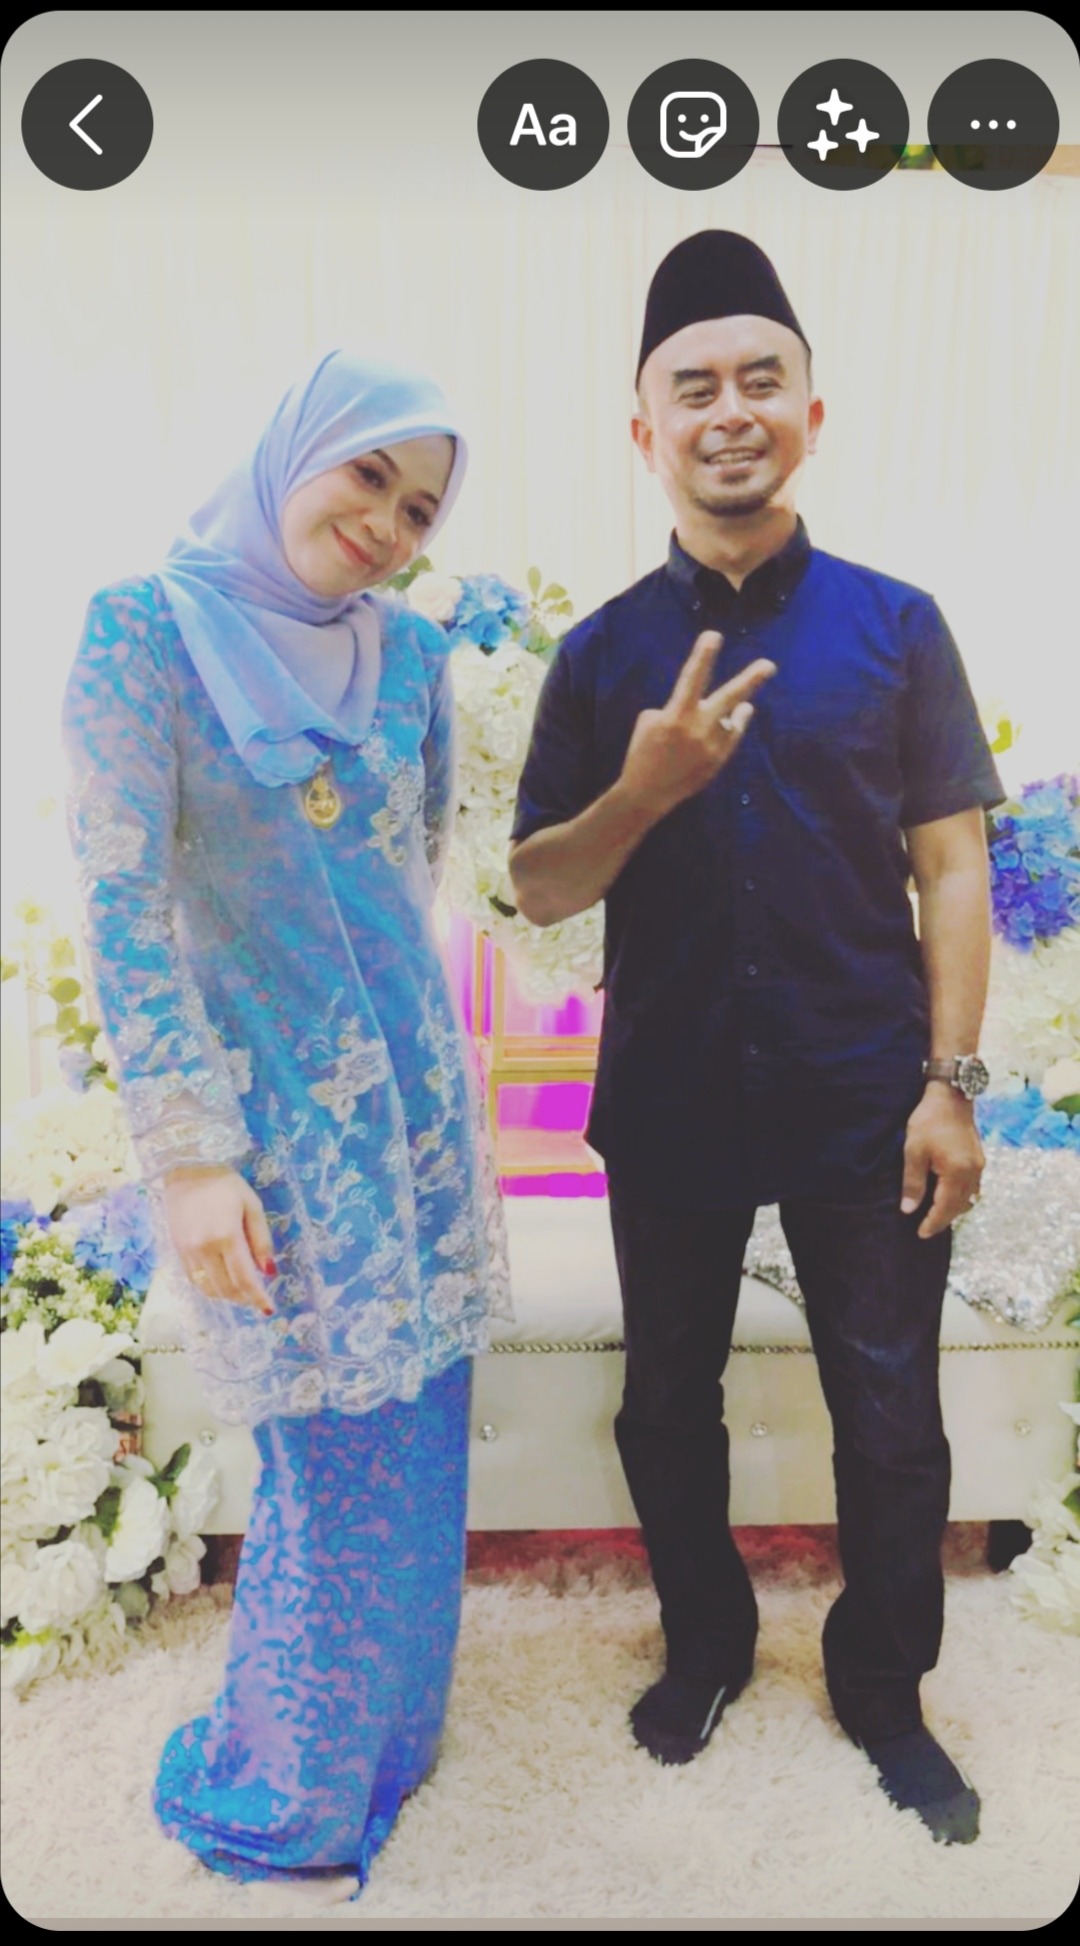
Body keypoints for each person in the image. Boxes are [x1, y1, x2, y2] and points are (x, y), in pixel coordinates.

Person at [508, 232, 1003, 1846]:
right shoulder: (599, 656)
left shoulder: (898, 625)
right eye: (694, 386)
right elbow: (538, 884)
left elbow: (952, 867)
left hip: (869, 1090)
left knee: (894, 1416)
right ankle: (708, 1644)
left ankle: (884, 1687)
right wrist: (640, 790)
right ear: (643, 428)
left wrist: (951, 1084)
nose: (730, 409)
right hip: (666, 1092)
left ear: (810, 411)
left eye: (760, 379)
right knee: (666, 1399)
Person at [61, 351, 511, 1905]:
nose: (388, 522)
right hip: (262, 1127)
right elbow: (122, 908)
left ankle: (391, 1741)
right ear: (291, 453)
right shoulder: (142, 629)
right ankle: (295, 1791)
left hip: (420, 1107)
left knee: (424, 1430)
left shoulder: (413, 655)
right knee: (330, 1452)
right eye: (368, 474)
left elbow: (414, 864)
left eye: (421, 508)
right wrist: (190, 1156)